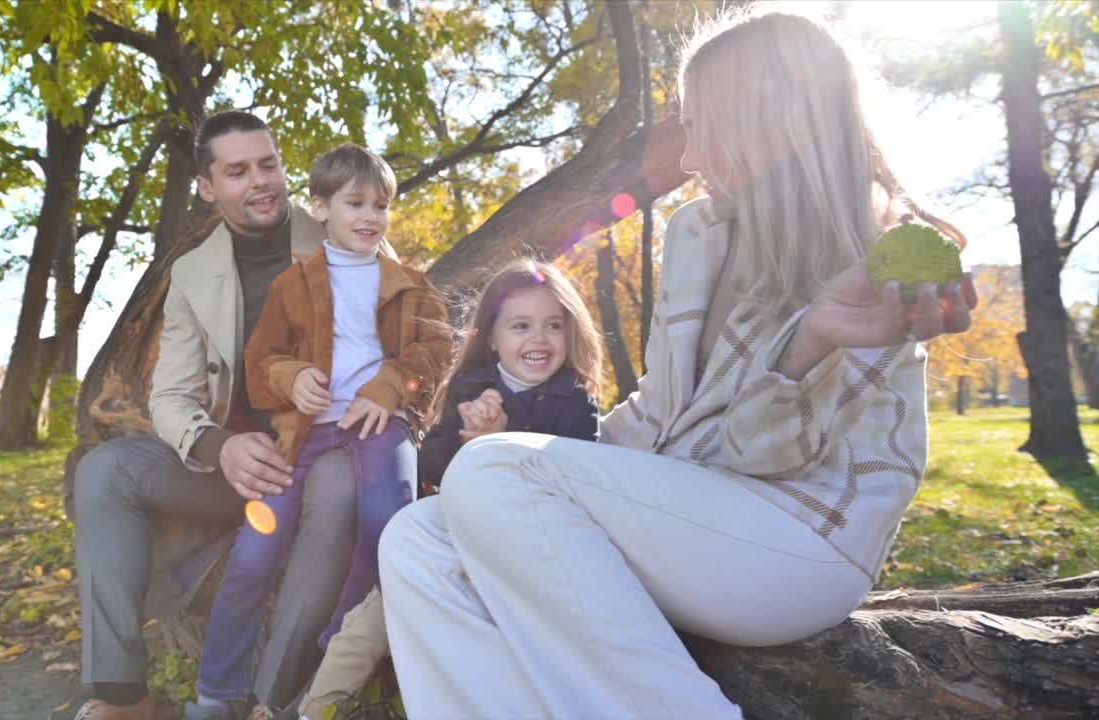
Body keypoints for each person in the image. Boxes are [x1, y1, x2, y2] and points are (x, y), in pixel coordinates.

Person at [377, 8, 979, 719]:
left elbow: (764, 455)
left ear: (771, 118)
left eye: (702, 125)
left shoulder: (881, 255)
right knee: (418, 536)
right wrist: (529, 462)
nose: (688, 158)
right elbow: (662, 412)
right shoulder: (699, 231)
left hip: (803, 544)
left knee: (492, 471)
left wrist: (808, 339)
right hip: (690, 510)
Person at [72, 112, 394, 720]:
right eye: (238, 171)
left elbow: (399, 339)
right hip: (233, 470)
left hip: (326, 453)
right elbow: (170, 397)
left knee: (335, 490)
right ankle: (124, 698)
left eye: (268, 164)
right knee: (103, 470)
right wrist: (220, 445)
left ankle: (269, 701)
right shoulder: (192, 274)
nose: (260, 182)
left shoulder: (345, 224)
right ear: (207, 186)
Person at [187, 143, 452, 719]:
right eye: (355, 203)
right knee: (256, 550)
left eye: (381, 205)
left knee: (388, 526)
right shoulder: (293, 285)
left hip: (381, 427)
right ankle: (217, 689)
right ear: (320, 208)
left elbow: (437, 349)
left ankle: (337, 651)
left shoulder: (410, 283)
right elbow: (261, 364)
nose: (370, 217)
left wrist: (391, 386)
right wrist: (294, 376)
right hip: (305, 435)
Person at [290, 259, 605, 720]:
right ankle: (315, 711)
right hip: (450, 535)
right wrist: (467, 442)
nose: (538, 338)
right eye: (521, 325)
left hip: (525, 557)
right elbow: (429, 463)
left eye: (552, 326)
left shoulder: (576, 402)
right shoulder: (469, 389)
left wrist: (499, 439)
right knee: (361, 630)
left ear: (569, 333)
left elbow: (573, 475)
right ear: (492, 337)